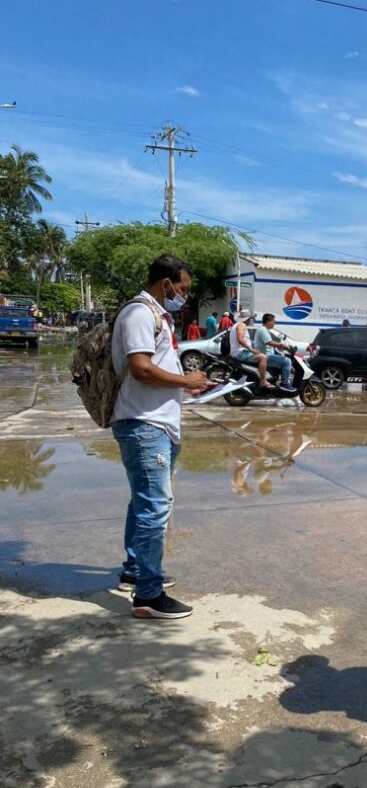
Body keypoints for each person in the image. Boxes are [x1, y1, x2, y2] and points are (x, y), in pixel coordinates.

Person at [112, 255, 213, 619]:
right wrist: (185, 381)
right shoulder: (140, 313)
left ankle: (136, 570)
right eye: (182, 289)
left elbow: (157, 368)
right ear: (166, 283)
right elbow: (141, 369)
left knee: (143, 503)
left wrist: (190, 387)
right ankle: (148, 596)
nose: (184, 296)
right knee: (155, 508)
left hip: (157, 422)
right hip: (144, 425)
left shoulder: (158, 315)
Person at [229, 309, 273, 390]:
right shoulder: (241, 325)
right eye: (250, 319)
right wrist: (251, 349)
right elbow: (240, 339)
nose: (251, 320)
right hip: (240, 353)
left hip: (239, 352)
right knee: (263, 357)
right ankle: (263, 380)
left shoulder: (237, 325)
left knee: (260, 355)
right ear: (247, 319)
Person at [254, 313, 296, 392]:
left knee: (283, 358)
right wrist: (282, 345)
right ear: (268, 321)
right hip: (266, 356)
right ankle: (285, 383)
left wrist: (280, 348)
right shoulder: (263, 330)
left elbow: (270, 344)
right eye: (273, 321)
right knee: (287, 361)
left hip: (266, 355)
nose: (274, 323)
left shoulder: (264, 330)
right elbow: (269, 342)